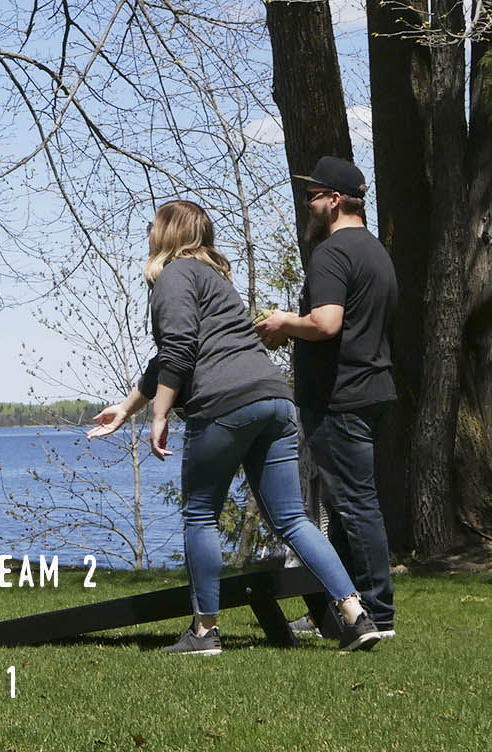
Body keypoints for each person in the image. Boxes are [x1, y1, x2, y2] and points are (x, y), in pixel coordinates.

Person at [88, 200, 380, 655]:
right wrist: (128, 407)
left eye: (152, 226)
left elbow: (179, 350)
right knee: (292, 520)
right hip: (275, 400)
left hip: (224, 405)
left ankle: (204, 632)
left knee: (200, 514)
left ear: (167, 233)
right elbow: (168, 356)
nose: (147, 232)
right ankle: (356, 614)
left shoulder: (172, 277)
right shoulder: (215, 280)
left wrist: (159, 414)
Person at [256, 156, 399, 640]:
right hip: (375, 390)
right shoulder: (377, 253)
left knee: (356, 506)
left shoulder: (332, 254)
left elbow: (327, 323)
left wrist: (281, 323)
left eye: (313, 195)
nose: (307, 203)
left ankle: (378, 612)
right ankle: (332, 613)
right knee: (342, 508)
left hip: (343, 399)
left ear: (335, 200)